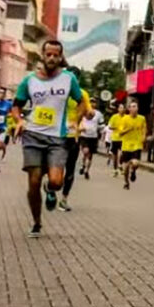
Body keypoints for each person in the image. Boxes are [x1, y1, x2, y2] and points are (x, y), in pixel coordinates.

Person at [10, 39, 87, 237]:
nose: (52, 58)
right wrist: (19, 121)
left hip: (57, 138)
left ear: (61, 57)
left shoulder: (69, 78)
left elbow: (81, 103)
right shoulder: (30, 81)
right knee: (33, 181)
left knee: (56, 181)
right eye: (48, 55)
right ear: (42, 56)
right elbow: (16, 105)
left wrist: (74, 121)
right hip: (33, 135)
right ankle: (37, 222)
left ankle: (50, 188)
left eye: (56, 55)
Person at [59, 66, 92, 212]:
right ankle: (51, 186)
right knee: (55, 168)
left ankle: (64, 199)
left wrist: (89, 113)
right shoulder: (58, 92)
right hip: (57, 136)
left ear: (77, 80)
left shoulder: (82, 94)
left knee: (70, 170)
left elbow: (88, 111)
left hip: (73, 137)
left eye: (73, 78)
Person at [117, 100, 147, 190]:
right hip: (126, 145)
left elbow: (144, 129)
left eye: (135, 106)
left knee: (135, 163)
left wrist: (144, 137)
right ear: (129, 109)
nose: (134, 108)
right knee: (125, 168)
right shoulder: (124, 119)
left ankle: (133, 171)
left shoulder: (142, 118)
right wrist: (128, 129)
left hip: (137, 145)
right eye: (132, 106)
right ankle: (126, 182)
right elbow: (120, 133)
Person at [78, 99, 104, 180]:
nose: (93, 104)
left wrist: (101, 130)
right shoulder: (83, 111)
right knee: (85, 151)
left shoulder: (99, 114)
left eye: (94, 102)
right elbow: (78, 121)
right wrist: (80, 128)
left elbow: (101, 124)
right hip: (84, 135)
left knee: (90, 155)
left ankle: (86, 171)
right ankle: (83, 165)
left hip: (93, 136)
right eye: (91, 102)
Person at [107, 102, 126, 176]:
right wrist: (116, 128)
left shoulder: (126, 117)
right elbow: (110, 126)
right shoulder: (114, 117)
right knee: (115, 156)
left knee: (122, 154)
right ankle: (115, 170)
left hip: (123, 139)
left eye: (123, 108)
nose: (122, 109)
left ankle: (120, 164)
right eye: (120, 108)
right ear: (118, 109)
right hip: (115, 138)